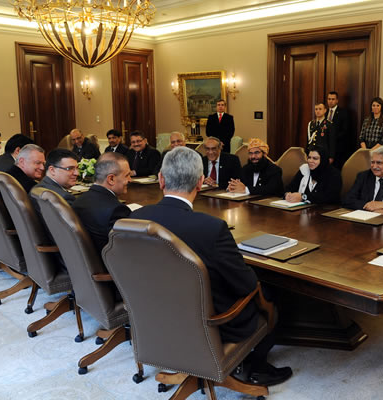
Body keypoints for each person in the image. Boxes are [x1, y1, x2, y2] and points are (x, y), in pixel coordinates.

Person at [130, 146, 293, 386]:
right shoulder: (211, 228)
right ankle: (255, 366)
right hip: (211, 323)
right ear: (199, 183)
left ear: (161, 180)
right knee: (268, 292)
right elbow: (246, 285)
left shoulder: (134, 219)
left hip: (155, 316)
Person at [73, 152, 131, 254]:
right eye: (127, 175)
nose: (130, 180)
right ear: (111, 179)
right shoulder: (117, 210)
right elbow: (125, 250)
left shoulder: (79, 201)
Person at [326, 91, 351, 166]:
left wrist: (332, 138)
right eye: (329, 99)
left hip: (338, 147)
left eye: (333, 99)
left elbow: (345, 130)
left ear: (337, 100)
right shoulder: (325, 112)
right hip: (326, 147)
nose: (331, 101)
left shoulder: (343, 112)